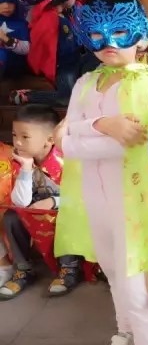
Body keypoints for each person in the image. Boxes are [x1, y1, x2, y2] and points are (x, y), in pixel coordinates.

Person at [53, 0, 148, 345]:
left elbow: (131, 143)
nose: (109, 43)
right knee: (114, 275)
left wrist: (76, 135)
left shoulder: (145, 81)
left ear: (141, 35)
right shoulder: (86, 82)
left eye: (120, 31)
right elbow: (63, 140)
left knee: (134, 284)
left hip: (132, 201)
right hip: (94, 199)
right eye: (97, 34)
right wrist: (101, 125)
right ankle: (126, 334)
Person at [0, 104, 85, 299]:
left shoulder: (69, 160)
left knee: (68, 215)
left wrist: (54, 202)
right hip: (35, 215)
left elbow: (84, 196)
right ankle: (23, 269)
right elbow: (21, 202)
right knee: (12, 217)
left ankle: (69, 268)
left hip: (65, 212)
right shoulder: (18, 162)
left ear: (50, 139)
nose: (17, 142)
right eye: (14, 135)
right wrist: (26, 169)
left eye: (25, 137)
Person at [9, 0, 90, 106]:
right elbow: (42, 50)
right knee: (66, 97)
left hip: (76, 60)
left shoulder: (68, 14)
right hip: (63, 67)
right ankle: (29, 96)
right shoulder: (50, 19)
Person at [0, 0, 29, 79]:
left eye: (11, 2)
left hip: (16, 72)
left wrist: (5, 38)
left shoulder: (21, 23)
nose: (7, 6)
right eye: (1, 2)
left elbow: (26, 49)